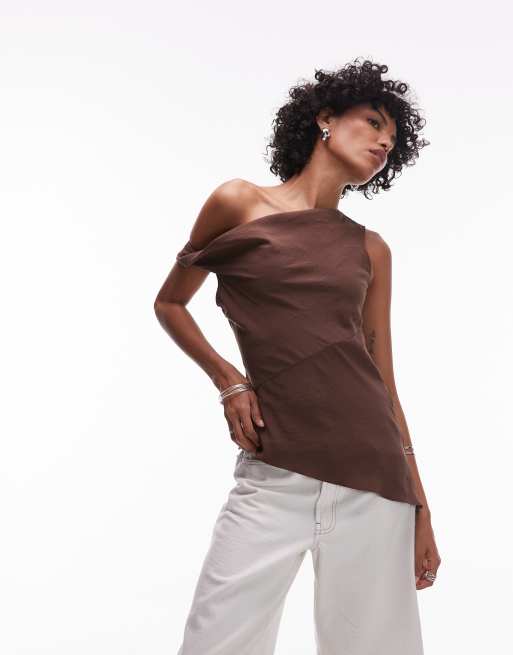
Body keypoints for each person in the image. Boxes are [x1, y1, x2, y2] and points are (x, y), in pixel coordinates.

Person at [154, 57, 441, 655]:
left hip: (374, 480)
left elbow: (383, 380)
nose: (384, 142)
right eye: (373, 122)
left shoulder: (371, 249)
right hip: (274, 469)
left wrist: (420, 505)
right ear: (325, 118)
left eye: (393, 139)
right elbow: (170, 303)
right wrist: (229, 381)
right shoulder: (238, 202)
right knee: (215, 641)